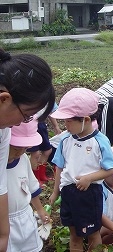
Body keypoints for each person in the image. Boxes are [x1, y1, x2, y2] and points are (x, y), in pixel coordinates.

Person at [49, 88, 113, 252]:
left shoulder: (99, 142)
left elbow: (111, 169)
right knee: (74, 235)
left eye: (69, 121)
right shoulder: (65, 139)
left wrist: (89, 178)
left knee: (93, 233)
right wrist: (55, 191)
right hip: (68, 192)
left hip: (89, 193)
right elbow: (59, 166)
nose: (66, 126)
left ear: (86, 120)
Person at [0, 49, 55, 251]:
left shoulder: (3, 131)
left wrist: (3, 237)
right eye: (26, 116)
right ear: (4, 99)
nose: (21, 123)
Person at [7, 121, 51, 252]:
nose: (20, 152)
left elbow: (31, 188)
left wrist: (41, 210)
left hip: (25, 216)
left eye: (25, 148)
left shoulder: (23, 160)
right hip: (5, 221)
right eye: (15, 148)